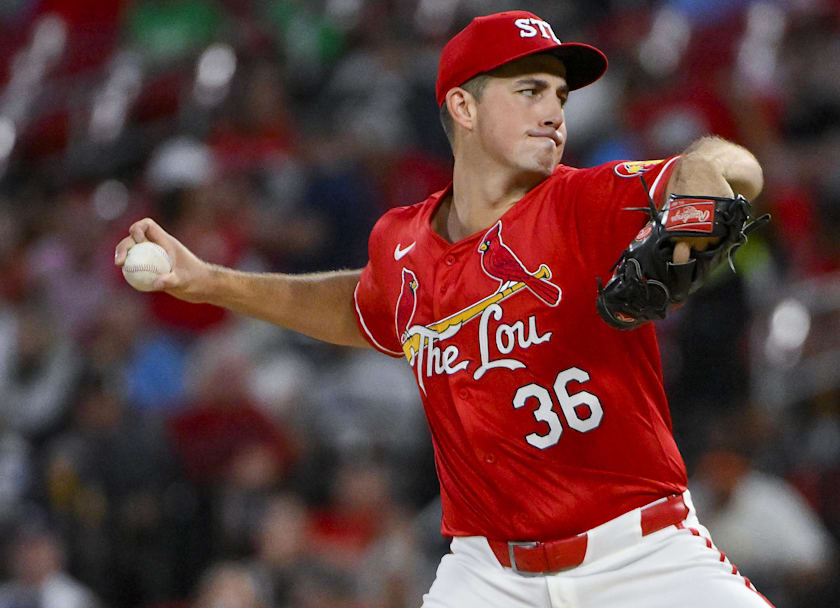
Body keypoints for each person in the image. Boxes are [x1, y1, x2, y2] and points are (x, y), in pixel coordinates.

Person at [114, 10, 768, 608]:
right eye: (529, 91)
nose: (554, 113)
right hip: (488, 575)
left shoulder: (585, 201)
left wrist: (696, 203)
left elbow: (722, 165)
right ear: (462, 105)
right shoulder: (400, 243)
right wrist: (211, 282)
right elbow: (357, 308)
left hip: (639, 554)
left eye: (561, 97)